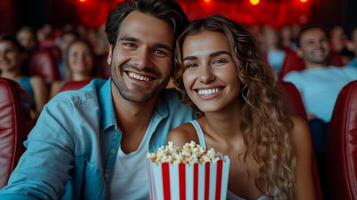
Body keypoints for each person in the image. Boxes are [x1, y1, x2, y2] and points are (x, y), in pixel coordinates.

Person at [0, 0, 193, 199]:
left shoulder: (187, 113)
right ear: (110, 52)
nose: (142, 63)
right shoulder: (67, 113)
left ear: (174, 63)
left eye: (159, 51)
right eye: (130, 44)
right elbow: (29, 188)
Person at [169, 15, 315, 199]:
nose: (205, 77)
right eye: (192, 65)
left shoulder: (293, 131)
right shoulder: (184, 142)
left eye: (218, 61)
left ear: (244, 67)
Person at [283, 25, 357, 152]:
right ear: (299, 51)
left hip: (354, 123)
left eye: (322, 40)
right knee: (315, 127)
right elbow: (289, 108)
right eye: (311, 42)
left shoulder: (348, 72)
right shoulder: (295, 77)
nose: (318, 46)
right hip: (326, 131)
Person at [0, 35, 48, 119]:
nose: (2, 57)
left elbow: (43, 117)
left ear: (22, 54)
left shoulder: (35, 81)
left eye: (8, 51)